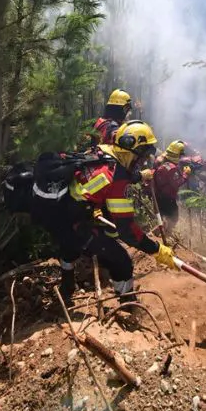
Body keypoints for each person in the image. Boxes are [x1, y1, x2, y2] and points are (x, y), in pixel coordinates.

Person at [31, 120, 178, 307]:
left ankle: (67, 285)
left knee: (71, 247)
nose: (141, 162)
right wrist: (157, 251)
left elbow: (106, 175)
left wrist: (139, 176)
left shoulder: (102, 151)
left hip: (60, 214)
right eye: (141, 156)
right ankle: (127, 305)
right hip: (72, 223)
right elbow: (128, 231)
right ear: (131, 150)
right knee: (122, 261)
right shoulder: (117, 181)